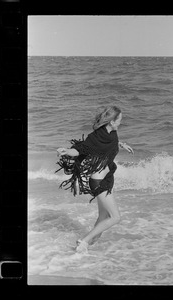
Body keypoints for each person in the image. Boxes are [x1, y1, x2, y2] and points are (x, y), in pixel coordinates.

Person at [56, 106, 134, 253]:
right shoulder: (96, 136)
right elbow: (81, 149)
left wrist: (121, 144)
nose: (121, 122)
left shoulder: (113, 133)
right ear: (111, 121)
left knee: (103, 216)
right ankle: (84, 241)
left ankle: (84, 247)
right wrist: (67, 151)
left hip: (106, 179)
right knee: (115, 217)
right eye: (119, 120)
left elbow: (107, 146)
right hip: (98, 182)